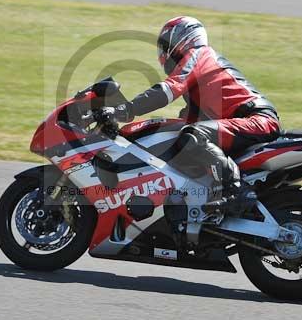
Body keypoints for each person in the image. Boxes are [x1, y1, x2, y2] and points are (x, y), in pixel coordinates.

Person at [115, 16, 281, 208]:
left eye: (165, 44)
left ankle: (236, 190)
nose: (162, 52)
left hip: (257, 120)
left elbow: (169, 89)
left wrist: (129, 108)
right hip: (244, 122)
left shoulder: (199, 55)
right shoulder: (198, 88)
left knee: (193, 136)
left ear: (183, 38)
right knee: (180, 141)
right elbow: (183, 123)